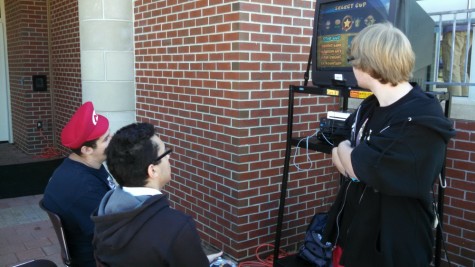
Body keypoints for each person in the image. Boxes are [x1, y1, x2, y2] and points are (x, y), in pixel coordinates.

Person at [323, 22, 456, 267]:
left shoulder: (422, 115)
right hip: (353, 234)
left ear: (369, 62)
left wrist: (347, 153)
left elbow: (363, 169)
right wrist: (349, 155)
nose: (351, 66)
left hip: (394, 245)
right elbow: (341, 156)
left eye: (353, 58)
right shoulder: (368, 106)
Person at [91, 122, 222, 267]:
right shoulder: (177, 227)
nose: (169, 158)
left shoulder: (104, 212)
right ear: (152, 170)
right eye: (165, 153)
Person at [43, 101, 115, 267]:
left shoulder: (84, 166)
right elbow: (111, 236)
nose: (112, 140)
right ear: (86, 150)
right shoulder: (82, 188)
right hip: (96, 259)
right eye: (106, 139)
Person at [441, 23, 472, 96]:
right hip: (469, 28)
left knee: (451, 67)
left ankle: (455, 100)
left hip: (454, 29)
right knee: (461, 67)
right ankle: (465, 99)